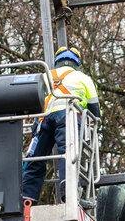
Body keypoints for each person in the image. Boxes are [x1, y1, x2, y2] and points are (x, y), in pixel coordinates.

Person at [21, 47, 100, 204]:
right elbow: (94, 110)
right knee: (68, 155)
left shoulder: (45, 76)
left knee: (36, 157)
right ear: (76, 63)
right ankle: (69, 195)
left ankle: (26, 198)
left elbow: (32, 101)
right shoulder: (84, 78)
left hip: (42, 118)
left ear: (57, 62)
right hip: (69, 116)